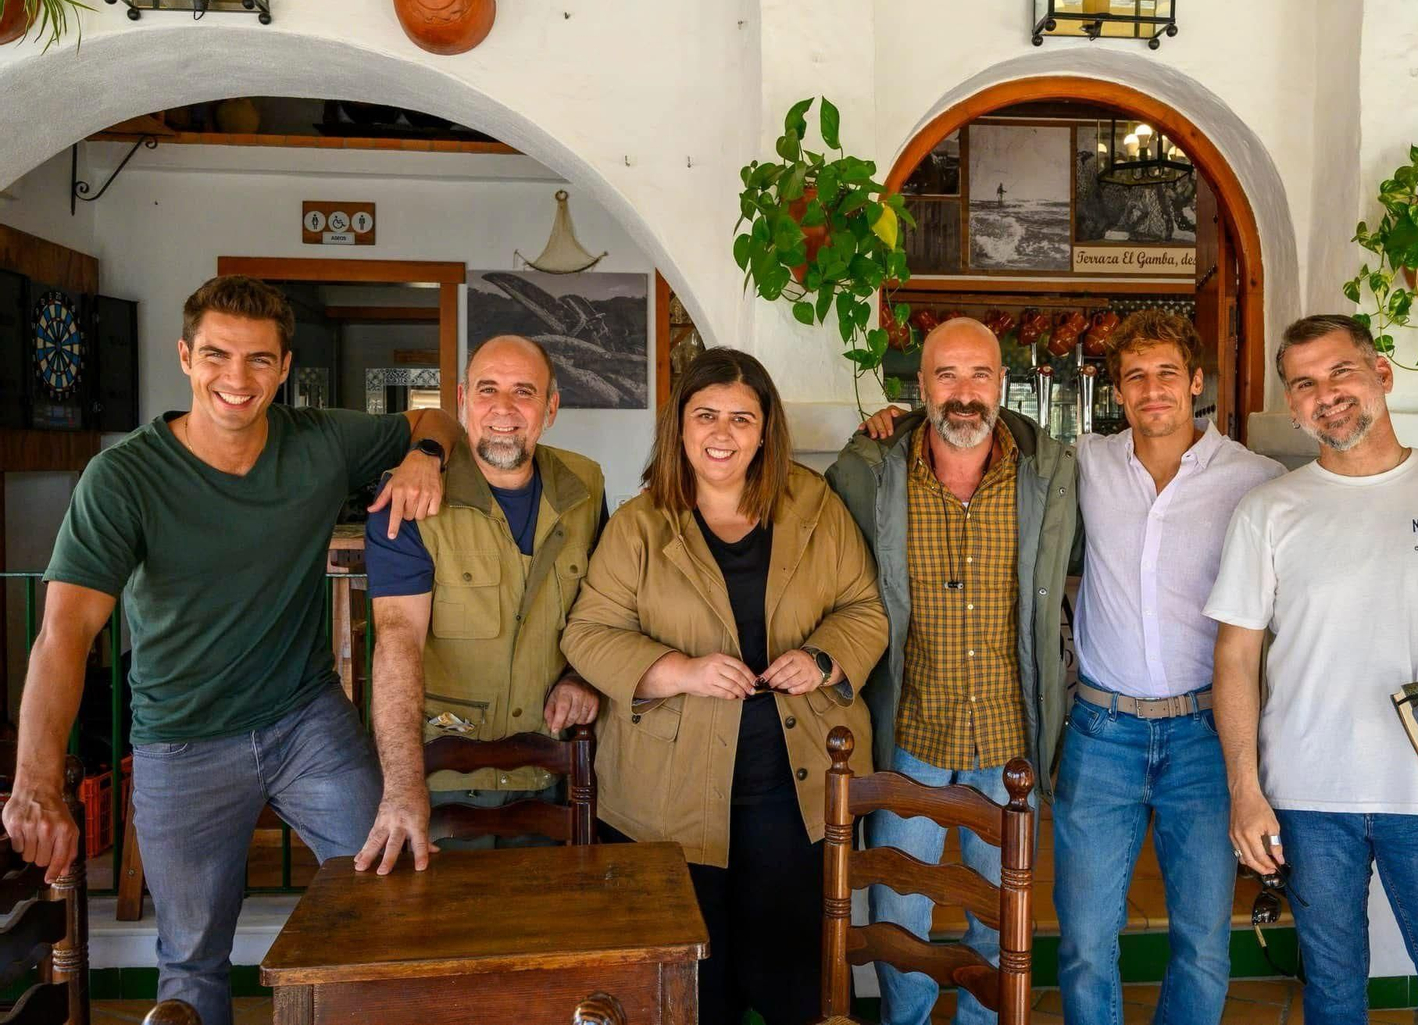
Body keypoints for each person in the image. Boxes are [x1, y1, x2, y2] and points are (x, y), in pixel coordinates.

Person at [2, 275, 461, 1025]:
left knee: (395, 894)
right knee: (192, 965)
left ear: (284, 369)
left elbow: (435, 414)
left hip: (307, 718)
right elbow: (62, 635)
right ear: (186, 357)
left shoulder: (320, 441)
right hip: (180, 742)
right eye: (217, 355)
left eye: (257, 361)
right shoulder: (123, 478)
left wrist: (426, 455)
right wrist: (36, 786)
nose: (236, 379)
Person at [1205, 314, 1418, 1025]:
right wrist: (1245, 789)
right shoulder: (1269, 510)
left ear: (1380, 375)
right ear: (1292, 407)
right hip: (1307, 795)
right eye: (1305, 385)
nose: (1327, 394)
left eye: (1340, 372)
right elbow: (1234, 656)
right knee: (1331, 991)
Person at [561, 347, 888, 1025]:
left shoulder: (815, 507)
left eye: (743, 417)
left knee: (799, 980)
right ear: (678, 426)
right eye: (706, 415)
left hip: (795, 792)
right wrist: (680, 670)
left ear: (766, 430)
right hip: (670, 797)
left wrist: (824, 658)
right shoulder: (640, 524)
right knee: (693, 990)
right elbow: (587, 634)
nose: (723, 432)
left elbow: (865, 610)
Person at [829, 317, 1078, 1025]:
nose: (964, 394)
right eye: (947, 375)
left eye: (979, 375)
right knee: (896, 916)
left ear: (1002, 383)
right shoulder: (870, 472)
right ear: (920, 387)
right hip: (910, 733)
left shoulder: (1049, 472)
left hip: (1008, 742)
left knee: (1000, 919)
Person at [1053, 311, 1283, 1024]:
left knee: (1204, 941)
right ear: (1118, 393)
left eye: (1165, 375)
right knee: (1086, 941)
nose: (1152, 391)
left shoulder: (1256, 480)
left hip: (1205, 737)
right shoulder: (1085, 463)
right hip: (1102, 730)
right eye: (1135, 378)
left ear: (1196, 383)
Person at [355, 335, 606, 872]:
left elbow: (603, 606)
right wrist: (401, 788)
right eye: (489, 390)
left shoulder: (585, 486)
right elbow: (397, 640)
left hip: (551, 777)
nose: (504, 410)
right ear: (464, 399)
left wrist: (582, 676)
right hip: (443, 788)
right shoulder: (410, 499)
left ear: (551, 408)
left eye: (525, 392)